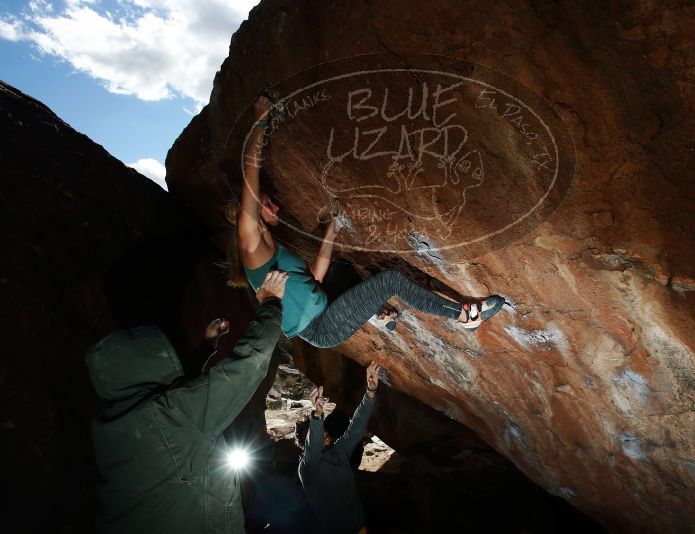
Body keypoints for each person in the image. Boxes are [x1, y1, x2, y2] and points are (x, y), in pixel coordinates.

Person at [226, 95, 505, 349]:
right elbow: (251, 172)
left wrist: (331, 233)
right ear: (247, 211)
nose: (275, 206)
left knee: (341, 268)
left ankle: (377, 314)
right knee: (390, 281)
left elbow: (315, 277)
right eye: (265, 202)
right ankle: (465, 315)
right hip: (323, 326)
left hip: (327, 300)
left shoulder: (269, 249)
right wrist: (260, 120)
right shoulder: (251, 245)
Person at [86, 271, 288, 534]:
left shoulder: (111, 426)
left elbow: (172, 400)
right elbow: (247, 365)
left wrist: (206, 348)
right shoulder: (168, 418)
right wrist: (270, 304)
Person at [295, 362, 382, 534]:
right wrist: (318, 415)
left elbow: (356, 427)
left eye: (325, 434)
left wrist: (370, 392)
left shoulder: (338, 452)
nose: (325, 437)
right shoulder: (307, 468)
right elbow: (312, 448)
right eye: (320, 434)